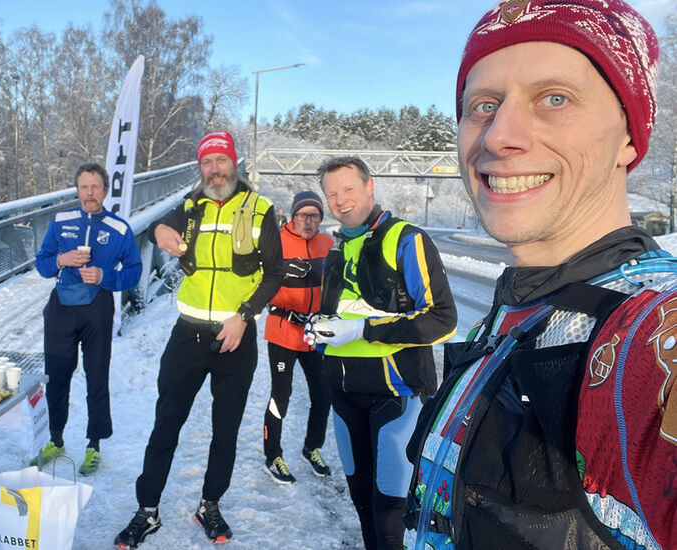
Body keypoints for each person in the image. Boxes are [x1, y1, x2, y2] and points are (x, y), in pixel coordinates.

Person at [403, 2, 676, 549]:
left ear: (628, 136)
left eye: (555, 98)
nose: (499, 136)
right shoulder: (514, 311)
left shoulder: (651, 326)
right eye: (483, 105)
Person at [114, 131, 283, 548]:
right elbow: (162, 226)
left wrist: (244, 317)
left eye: (221, 160)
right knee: (165, 424)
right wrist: (158, 234)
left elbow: (275, 272)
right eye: (207, 162)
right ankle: (147, 510)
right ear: (200, 168)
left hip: (235, 336)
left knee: (224, 430)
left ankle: (210, 504)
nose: (214, 169)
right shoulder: (192, 205)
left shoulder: (260, 208)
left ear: (234, 162)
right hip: (187, 335)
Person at [303, 156, 457, 550]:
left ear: (370, 187)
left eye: (348, 189)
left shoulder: (406, 239)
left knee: (391, 512)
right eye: (332, 194)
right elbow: (337, 317)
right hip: (344, 396)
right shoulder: (337, 251)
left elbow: (442, 319)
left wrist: (363, 329)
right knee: (361, 503)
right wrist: (320, 331)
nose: (341, 201)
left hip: (397, 395)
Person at [33, 162, 143, 475]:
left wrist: (104, 276)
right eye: (84, 187)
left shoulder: (120, 228)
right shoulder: (61, 220)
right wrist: (61, 260)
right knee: (56, 376)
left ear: (105, 191)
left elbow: (134, 272)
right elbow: (42, 266)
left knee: (96, 377)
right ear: (77, 190)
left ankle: (94, 445)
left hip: (97, 308)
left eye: (95, 187)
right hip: (61, 308)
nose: (89, 193)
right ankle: (55, 439)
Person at [261, 190, 334, 485]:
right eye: (303, 215)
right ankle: (272, 455)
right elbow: (257, 281)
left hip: (314, 332)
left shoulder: (328, 244)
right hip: (283, 328)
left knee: (323, 394)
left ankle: (311, 448)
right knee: (281, 395)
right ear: (293, 216)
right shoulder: (275, 242)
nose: (308, 221)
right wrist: (280, 274)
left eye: (315, 215)